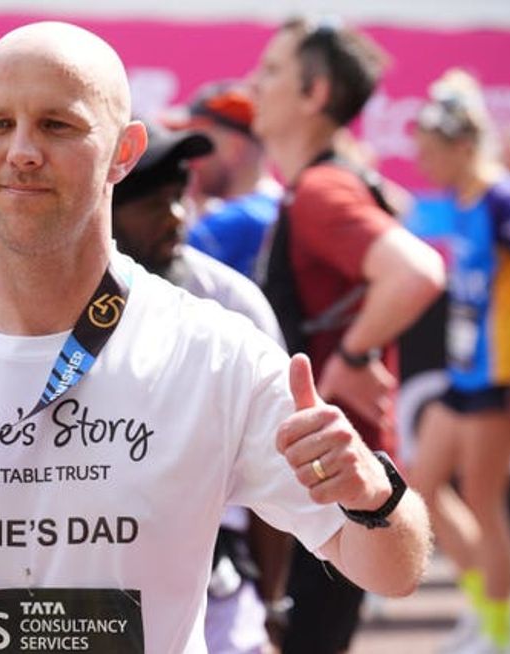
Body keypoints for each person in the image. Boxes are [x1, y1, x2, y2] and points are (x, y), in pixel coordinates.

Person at [0, 22, 431, 653]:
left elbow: (393, 569)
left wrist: (374, 495)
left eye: (58, 125)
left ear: (124, 152)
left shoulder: (215, 352)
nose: (22, 152)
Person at [249, 17, 446, 654]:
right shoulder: (326, 183)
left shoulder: (322, 188)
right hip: (330, 486)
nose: (256, 82)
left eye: (274, 70)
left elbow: (417, 271)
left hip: (333, 491)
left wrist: (357, 352)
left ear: (315, 93)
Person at [111, 122, 287, 653]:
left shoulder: (228, 303)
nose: (176, 218)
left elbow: (275, 466)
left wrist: (273, 600)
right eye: (152, 204)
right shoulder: (39, 307)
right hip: (88, 590)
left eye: (178, 198)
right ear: (102, 210)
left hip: (215, 583)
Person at [410, 69, 510, 654]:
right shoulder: (460, 198)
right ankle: (483, 605)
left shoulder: (500, 196)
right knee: (421, 484)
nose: (424, 163)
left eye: (433, 152)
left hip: (498, 378)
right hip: (463, 374)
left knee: (486, 504)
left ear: (463, 147)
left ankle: (498, 629)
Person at [172, 81, 281, 279]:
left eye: (198, 145)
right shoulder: (281, 206)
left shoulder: (231, 222)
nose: (189, 159)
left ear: (234, 147)